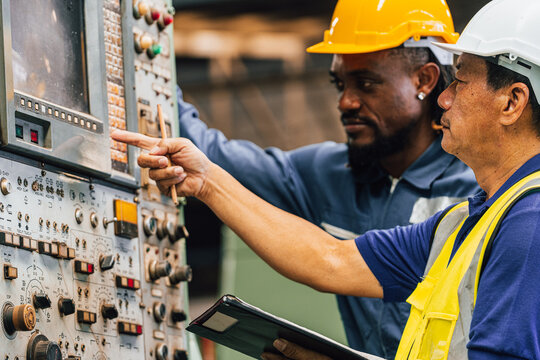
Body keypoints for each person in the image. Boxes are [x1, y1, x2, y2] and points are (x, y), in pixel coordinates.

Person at [113, 0, 540, 358]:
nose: (446, 97)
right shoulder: (464, 223)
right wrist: (206, 180)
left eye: (461, 81)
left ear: (512, 103)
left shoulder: (528, 223)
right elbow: (332, 260)